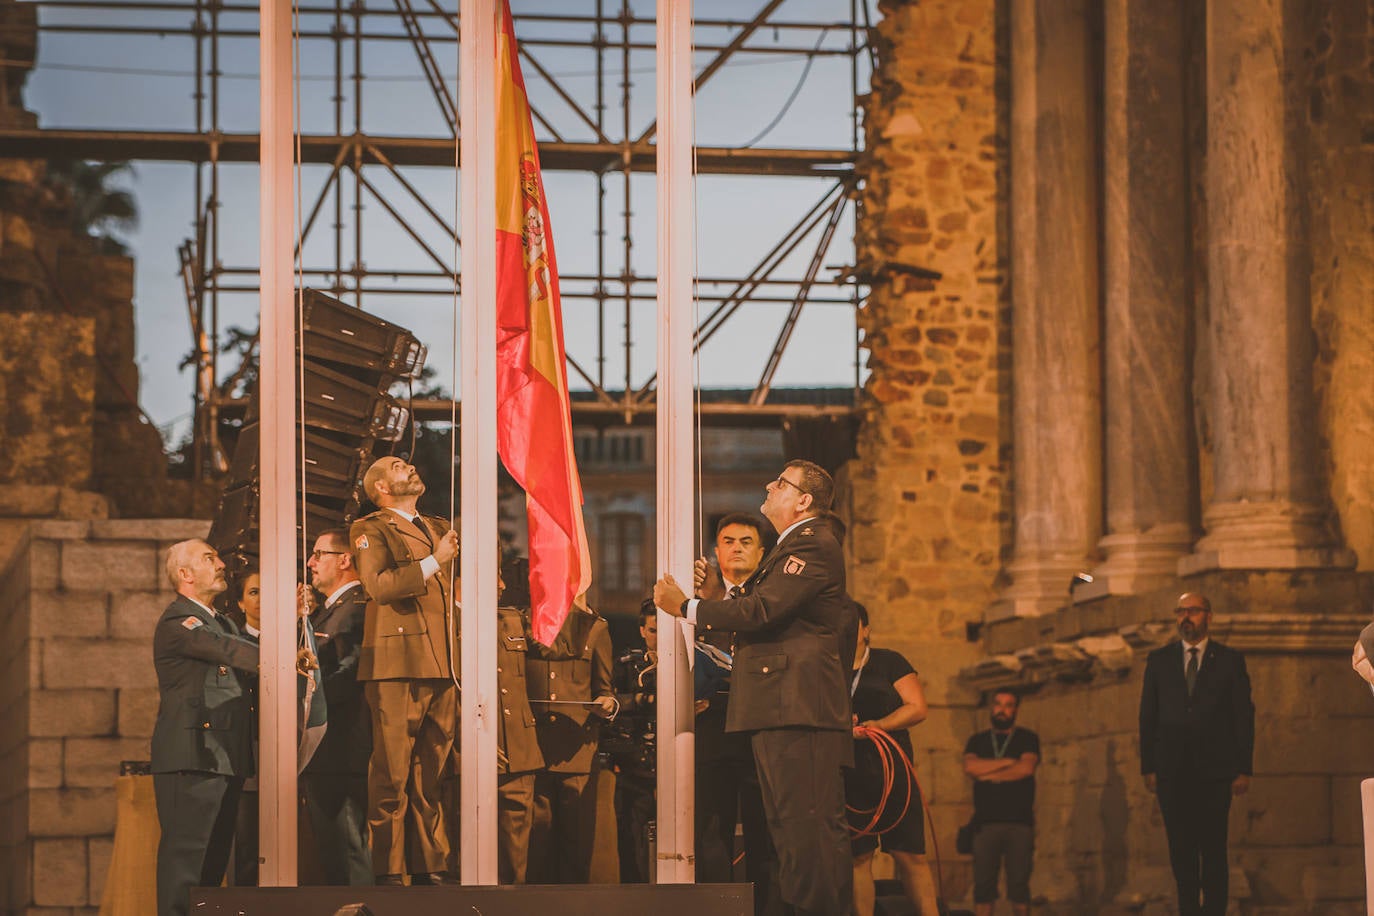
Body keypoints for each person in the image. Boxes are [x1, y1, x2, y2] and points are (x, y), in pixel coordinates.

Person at [655, 459, 856, 916]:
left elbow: (762, 612)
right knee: (791, 831)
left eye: (781, 483)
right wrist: (713, 601)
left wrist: (685, 606)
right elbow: (760, 612)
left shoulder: (814, 543)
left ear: (804, 501)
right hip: (782, 708)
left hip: (798, 709)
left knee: (808, 833)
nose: (769, 486)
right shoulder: (792, 549)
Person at [349, 456, 461, 886]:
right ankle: (388, 868)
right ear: (380, 487)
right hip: (397, 662)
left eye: (409, 463)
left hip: (441, 660)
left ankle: (431, 863)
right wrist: (435, 561)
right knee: (392, 772)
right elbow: (378, 586)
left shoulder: (434, 525)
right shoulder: (370, 528)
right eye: (398, 466)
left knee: (431, 772)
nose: (411, 467)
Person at [151, 540, 261, 916]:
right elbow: (226, 649)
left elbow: (237, 643)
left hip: (222, 757)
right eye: (208, 558)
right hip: (194, 756)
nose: (220, 565)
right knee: (187, 867)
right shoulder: (180, 620)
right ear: (185, 575)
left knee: (211, 871)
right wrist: (279, 657)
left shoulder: (222, 621)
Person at [1139, 592, 1254, 916]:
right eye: (1180, 612)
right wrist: (1148, 764)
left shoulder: (1229, 661)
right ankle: (1189, 909)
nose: (1185, 617)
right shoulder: (1160, 661)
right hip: (1172, 770)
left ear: (1208, 616)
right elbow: (1148, 715)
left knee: (1214, 848)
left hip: (1215, 770)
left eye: (1192, 611)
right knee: (1181, 848)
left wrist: (1243, 767)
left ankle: (1214, 910)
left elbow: (1242, 715)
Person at [692, 512, 779, 914]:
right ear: (716, 551)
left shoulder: (776, 599)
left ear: (762, 553)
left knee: (767, 837)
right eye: (728, 541)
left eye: (746, 541)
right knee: (712, 831)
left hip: (763, 730)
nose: (737, 548)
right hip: (712, 727)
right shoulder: (702, 602)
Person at [846, 602, 941, 916]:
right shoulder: (828, 668)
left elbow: (917, 707)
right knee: (858, 857)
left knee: (909, 853)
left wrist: (880, 725)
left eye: (851, 622)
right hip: (850, 773)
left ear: (866, 629)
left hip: (894, 770)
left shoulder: (889, 661)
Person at [524, 598, 617, 884]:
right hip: (533, 754)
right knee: (535, 854)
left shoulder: (595, 630)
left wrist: (607, 705)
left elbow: (605, 689)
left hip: (577, 754)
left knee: (576, 853)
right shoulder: (524, 625)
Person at [301, 529, 373, 886]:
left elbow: (349, 673)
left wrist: (302, 699)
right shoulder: (330, 612)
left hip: (340, 753)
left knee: (347, 857)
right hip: (327, 754)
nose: (311, 563)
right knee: (333, 858)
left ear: (345, 560)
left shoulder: (355, 609)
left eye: (318, 553)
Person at [962, 689, 1040, 916]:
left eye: (1008, 705)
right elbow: (970, 768)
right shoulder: (977, 740)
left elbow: (1026, 769)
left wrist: (988, 772)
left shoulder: (1027, 738)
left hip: (1020, 823)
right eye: (998, 704)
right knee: (983, 887)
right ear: (991, 707)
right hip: (985, 824)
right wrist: (1007, 762)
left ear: (1015, 709)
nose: (1002, 710)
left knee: (1019, 886)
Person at [607, 598, 659, 883]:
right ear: (642, 630)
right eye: (653, 630)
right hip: (634, 766)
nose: (658, 637)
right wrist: (640, 700)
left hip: (678, 765)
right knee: (629, 835)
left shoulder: (689, 661)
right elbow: (609, 701)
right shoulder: (627, 665)